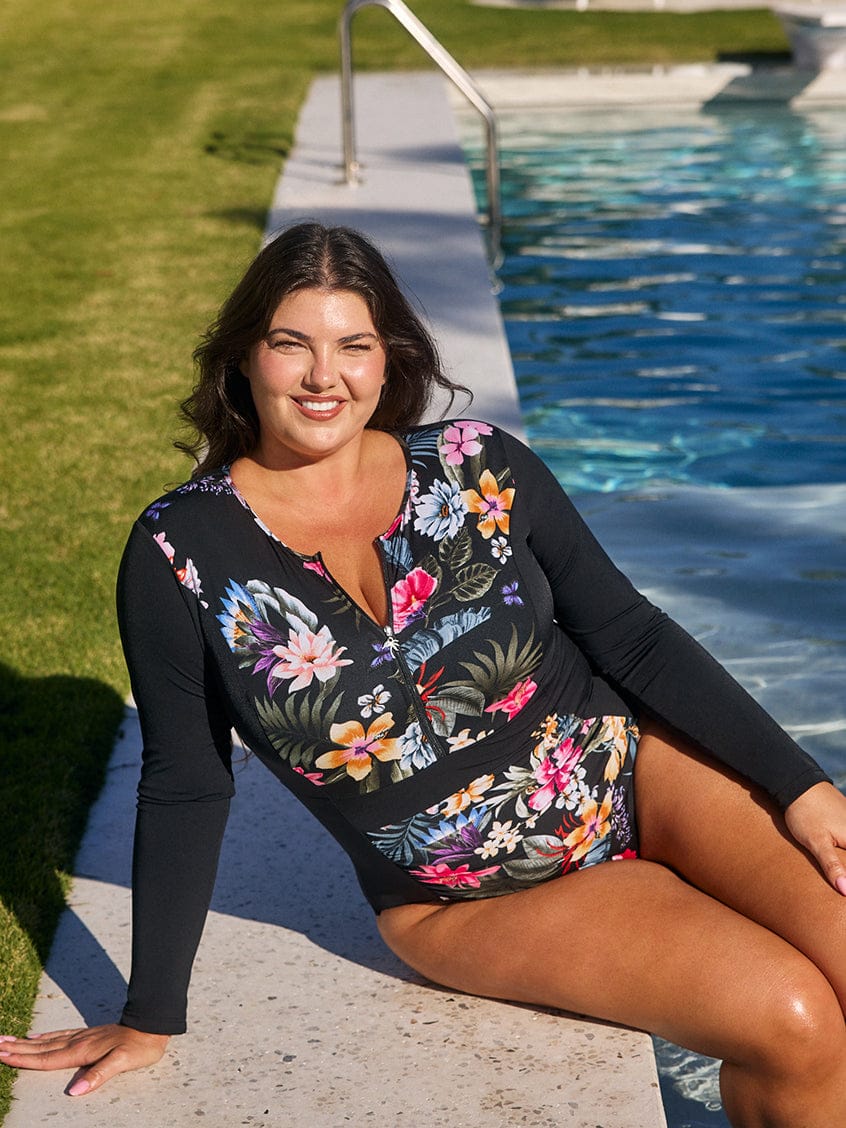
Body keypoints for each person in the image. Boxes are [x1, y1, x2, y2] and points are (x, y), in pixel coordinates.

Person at [3, 222, 846, 1127]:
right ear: (243, 358)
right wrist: (149, 1016)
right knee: (793, 1021)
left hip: (634, 771)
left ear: (387, 356)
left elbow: (630, 636)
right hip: (471, 897)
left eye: (353, 346)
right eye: (293, 344)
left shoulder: (476, 464)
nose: (325, 376)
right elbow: (186, 782)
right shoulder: (181, 553)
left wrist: (799, 785)